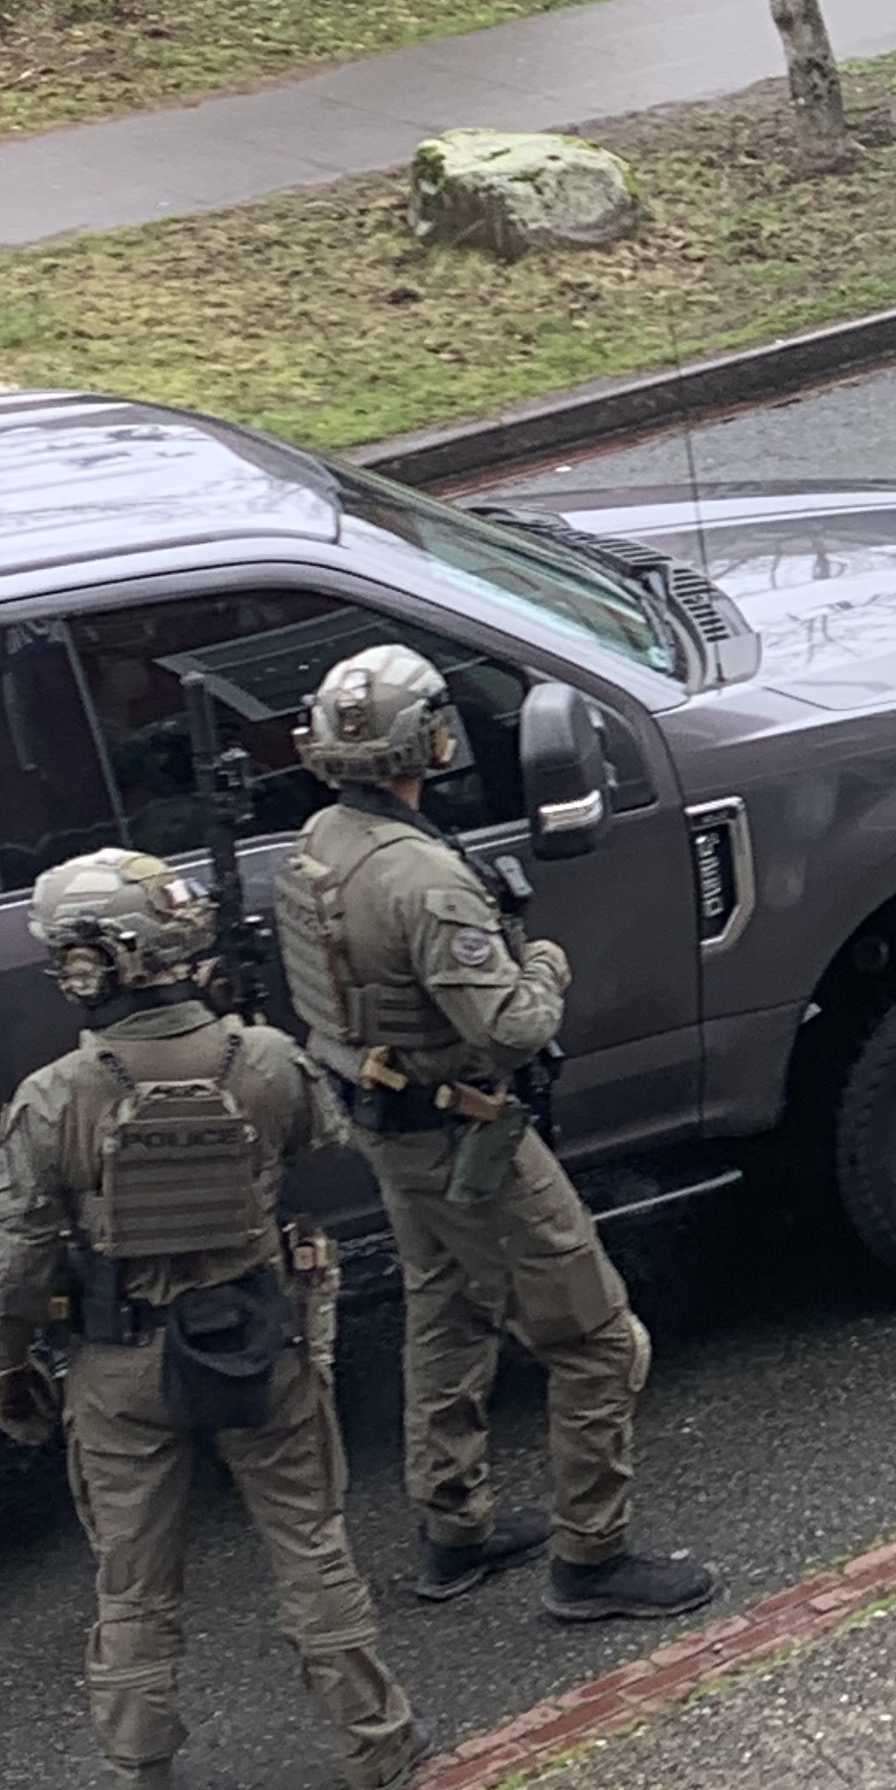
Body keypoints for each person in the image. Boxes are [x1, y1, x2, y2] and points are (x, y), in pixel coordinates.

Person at [0, 850, 419, 1790]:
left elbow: (9, 1258)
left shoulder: (54, 1097)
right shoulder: (259, 1060)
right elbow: (326, 1143)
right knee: (309, 1539)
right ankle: (374, 1745)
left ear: (87, 967)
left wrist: (6, 1363)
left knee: (132, 1577)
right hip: (259, 1336)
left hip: (119, 1361)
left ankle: (140, 1781)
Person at [274, 641, 713, 1626]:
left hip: (390, 1125)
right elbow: (511, 1026)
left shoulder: (319, 845)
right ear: (426, 740)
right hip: (468, 1133)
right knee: (598, 1342)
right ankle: (592, 1557)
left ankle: (453, 1526)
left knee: (447, 1309)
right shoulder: (421, 879)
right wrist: (545, 966)